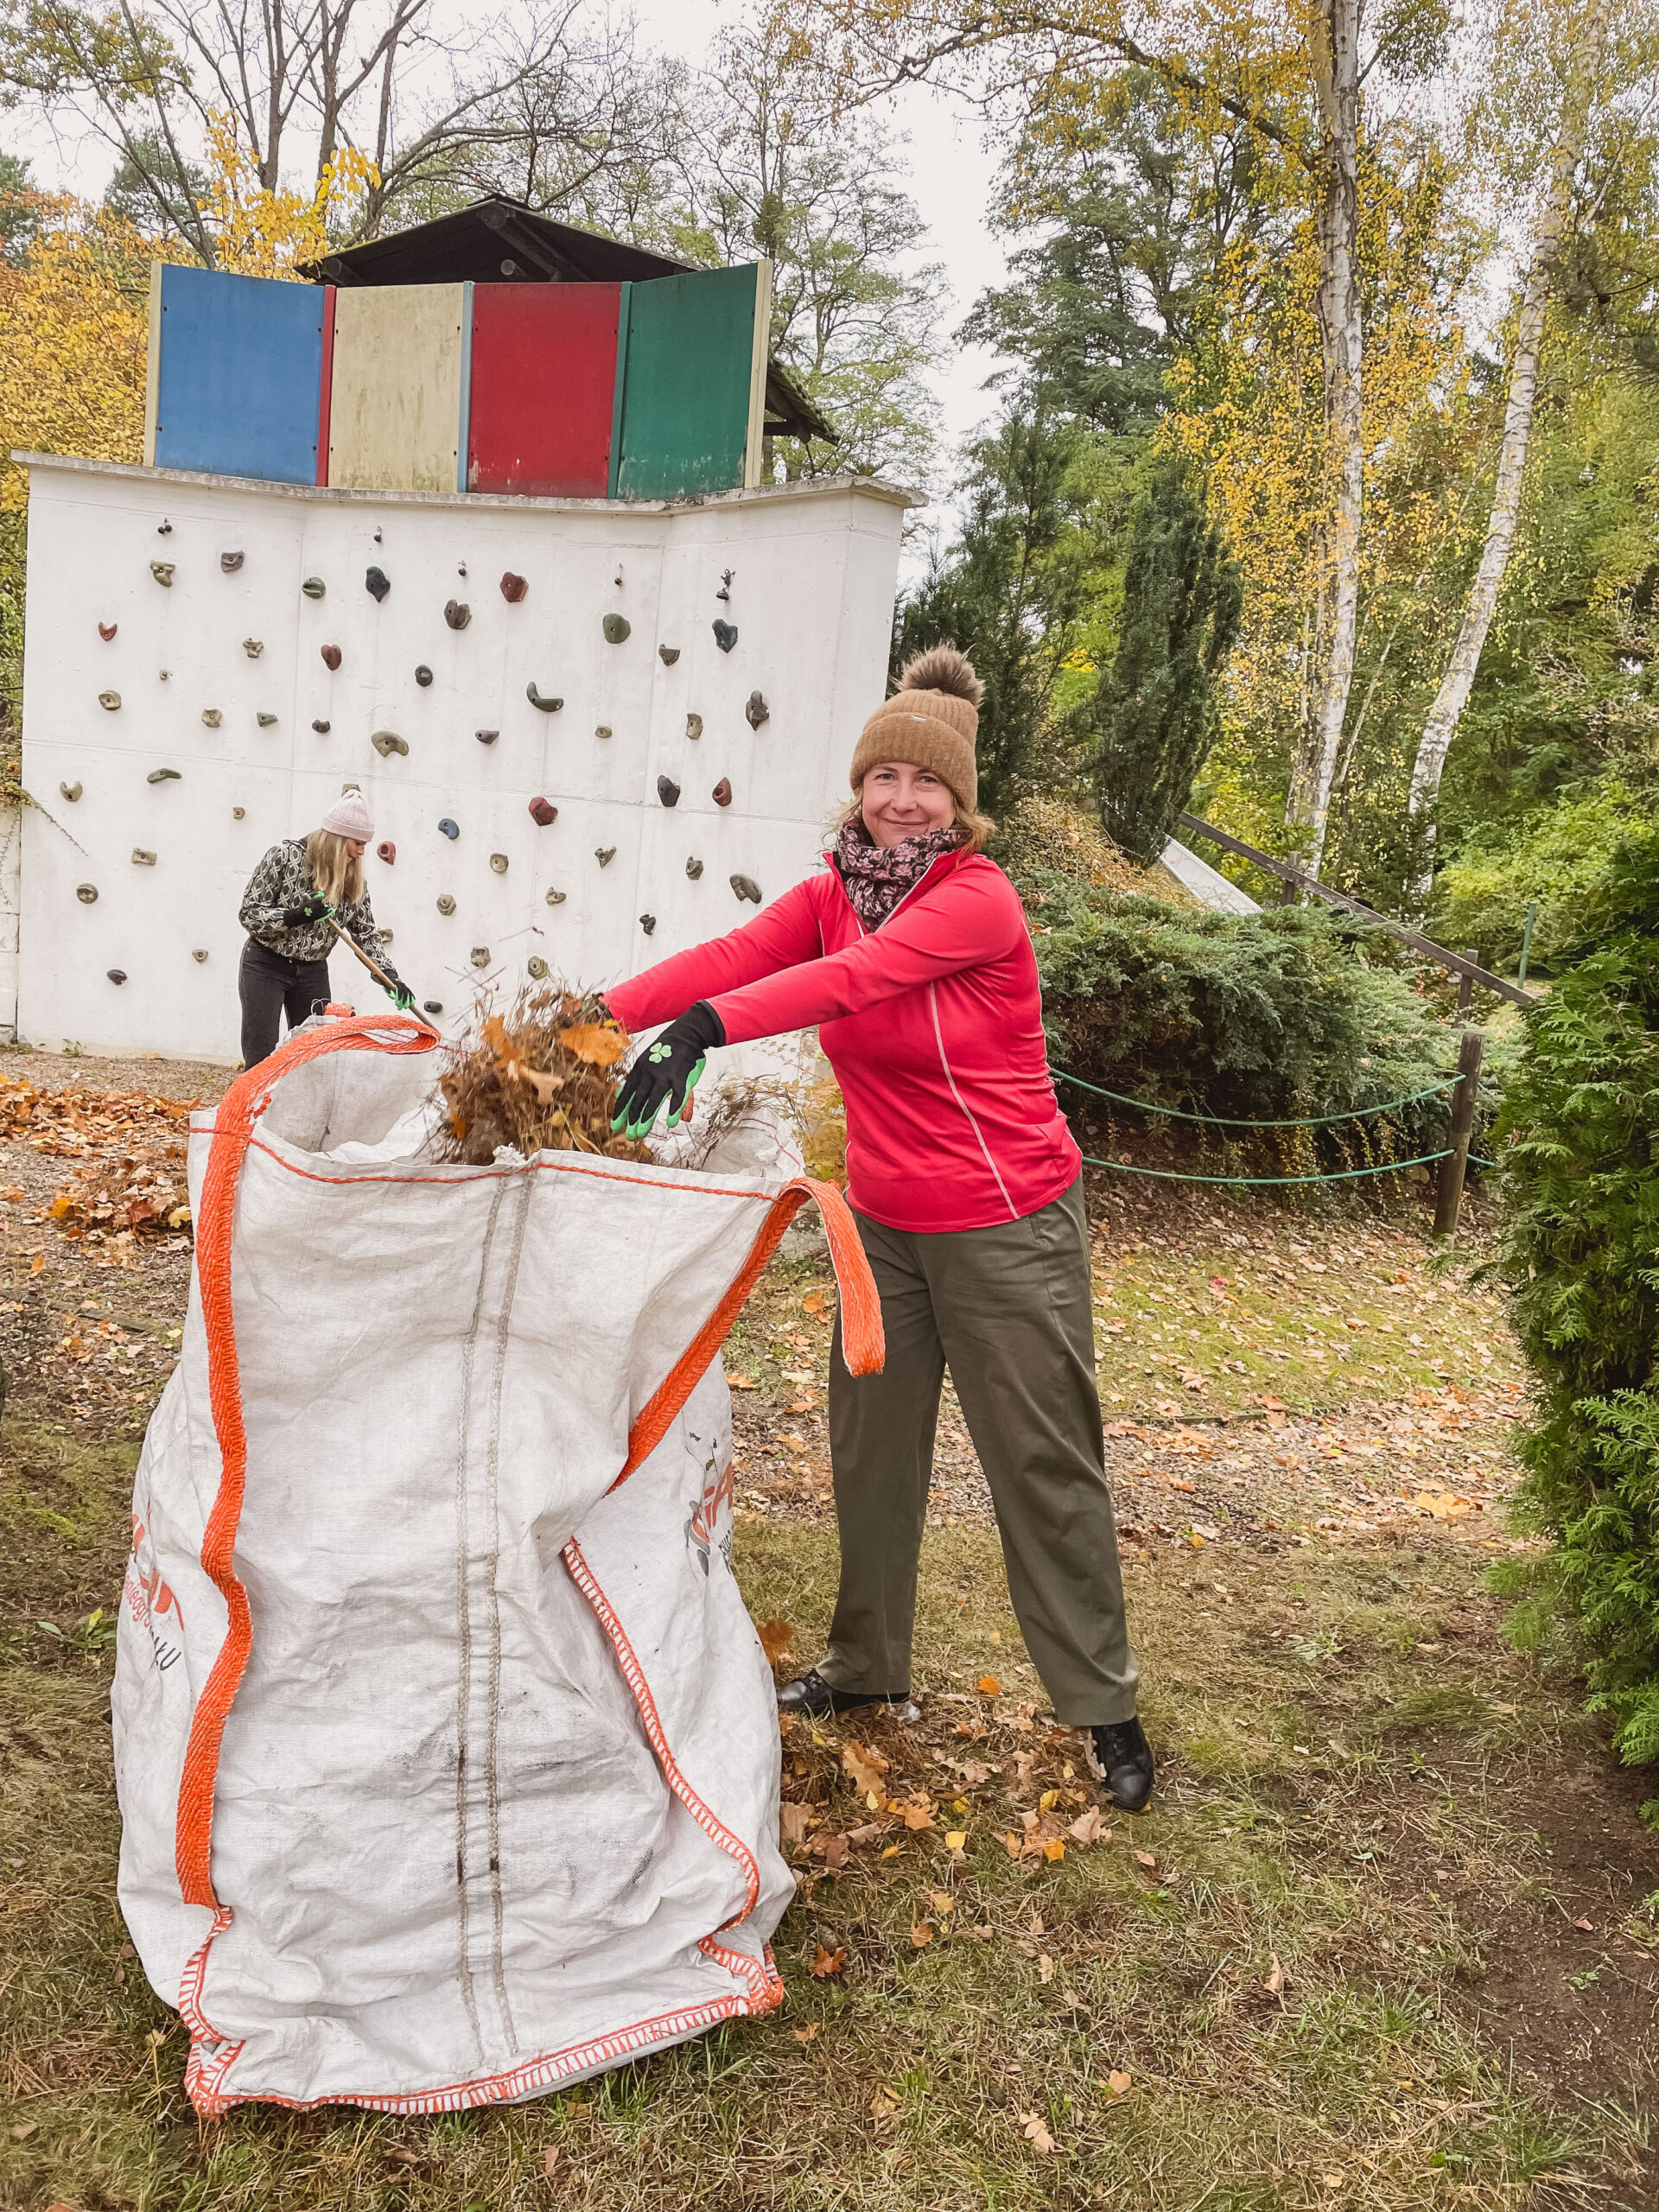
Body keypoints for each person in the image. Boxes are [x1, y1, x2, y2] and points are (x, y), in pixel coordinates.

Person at [605, 645, 1154, 1813]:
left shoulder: (974, 898)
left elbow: (852, 985)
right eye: (883, 775)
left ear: (961, 803)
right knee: (870, 1451)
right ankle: (866, 1671)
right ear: (860, 787)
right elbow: (741, 956)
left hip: (1009, 1224)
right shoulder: (832, 890)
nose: (902, 797)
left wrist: (704, 1031)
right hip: (888, 1224)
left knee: (1042, 1465)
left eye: (928, 782)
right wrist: (596, 1014)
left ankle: (1100, 1703)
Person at [236, 790, 412, 1071]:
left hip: (312, 972)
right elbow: (249, 912)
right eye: (357, 842)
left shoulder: (354, 882)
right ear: (339, 838)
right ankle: (253, 1114)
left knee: (316, 1058)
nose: (362, 851)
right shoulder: (284, 858)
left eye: (365, 843)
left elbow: (366, 935)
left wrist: (390, 977)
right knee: (261, 1056)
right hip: (265, 965)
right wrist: (298, 915)